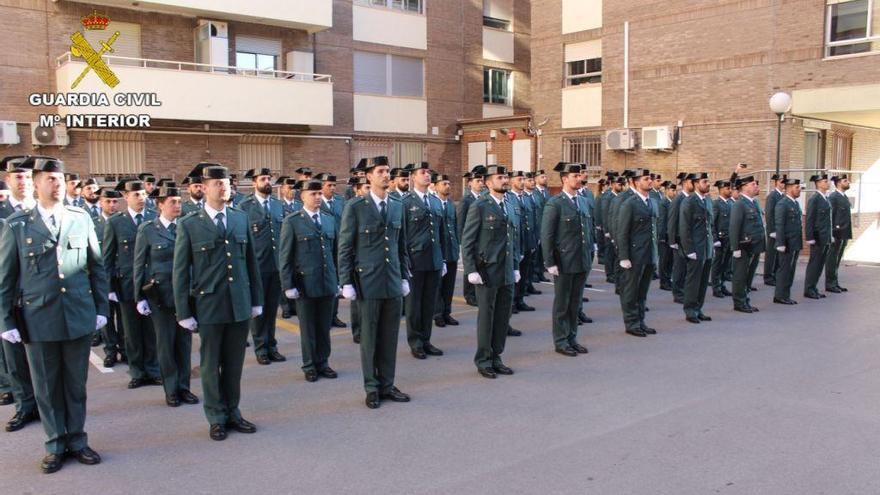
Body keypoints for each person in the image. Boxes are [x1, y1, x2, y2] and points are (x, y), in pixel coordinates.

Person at [0, 155, 108, 474]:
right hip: (38, 319)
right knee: (46, 387)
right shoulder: (17, 225)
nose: (56, 184)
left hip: (77, 314)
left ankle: (77, 440)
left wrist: (101, 309)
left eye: (59, 179)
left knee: (75, 384)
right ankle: (55, 444)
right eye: (49, 179)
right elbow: (5, 278)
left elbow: (96, 268)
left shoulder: (80, 217)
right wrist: (6, 321)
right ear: (36, 183)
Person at [173, 164, 264, 440]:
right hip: (209, 305)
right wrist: (183, 311)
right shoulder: (189, 224)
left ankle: (233, 411)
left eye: (226, 183)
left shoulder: (239, 218)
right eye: (217, 183)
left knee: (234, 363)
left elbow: (251, 263)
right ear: (204, 187)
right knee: (211, 364)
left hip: (238, 303)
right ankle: (216, 416)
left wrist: (256, 299)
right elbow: (180, 270)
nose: (223, 187)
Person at [338, 156, 412, 409]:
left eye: (387, 171)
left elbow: (401, 245)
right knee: (369, 338)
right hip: (367, 282)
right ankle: (372, 387)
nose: (385, 175)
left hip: (392, 280)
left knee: (389, 337)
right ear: (368, 176)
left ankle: (388, 385)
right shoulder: (356, 207)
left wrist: (404, 275)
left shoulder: (396, 205)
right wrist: (345, 281)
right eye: (380, 171)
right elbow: (345, 247)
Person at [133, 184, 199, 408]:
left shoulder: (186, 226)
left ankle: (184, 387)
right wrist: (139, 297)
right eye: (173, 202)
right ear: (160, 204)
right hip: (160, 296)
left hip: (185, 294)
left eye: (179, 201)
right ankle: (170, 389)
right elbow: (139, 264)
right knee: (165, 344)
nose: (178, 205)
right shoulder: (148, 229)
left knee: (184, 342)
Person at [461, 165, 520, 379]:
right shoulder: (480, 206)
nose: (504, 180)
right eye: (499, 177)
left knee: (503, 316)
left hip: (505, 271)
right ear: (487, 182)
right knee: (487, 316)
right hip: (486, 271)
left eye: (505, 177)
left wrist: (515, 266)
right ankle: (484, 359)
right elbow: (468, 240)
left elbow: (514, 239)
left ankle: (497, 357)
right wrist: (471, 269)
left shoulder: (510, 205)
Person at [280, 179, 339, 382]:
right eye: (313, 194)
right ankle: (309, 365)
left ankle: (323, 362)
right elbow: (285, 256)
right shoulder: (293, 221)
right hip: (305, 284)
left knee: (324, 327)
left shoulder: (329, 219)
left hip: (327, 282)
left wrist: (338, 279)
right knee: (308, 328)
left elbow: (335, 253)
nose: (317, 198)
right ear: (302, 196)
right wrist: (288, 285)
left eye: (319, 194)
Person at [104, 179, 161, 389]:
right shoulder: (115, 222)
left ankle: (153, 369)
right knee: (131, 331)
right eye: (136, 195)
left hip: (151, 283)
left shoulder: (154, 219)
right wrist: (109, 287)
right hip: (126, 284)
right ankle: (137, 371)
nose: (141, 199)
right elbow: (108, 258)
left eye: (143, 195)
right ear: (125, 197)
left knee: (151, 330)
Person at [0, 155, 38, 433]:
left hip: (41, 297)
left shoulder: (44, 210)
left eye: (27, 176)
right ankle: (25, 406)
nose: (23, 181)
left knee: (44, 358)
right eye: (17, 176)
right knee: (15, 358)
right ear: (8, 180)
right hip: (11, 296)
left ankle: (49, 406)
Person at [541, 162, 593, 356]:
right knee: (562, 304)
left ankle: (572, 337)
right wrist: (549, 262)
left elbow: (587, 230)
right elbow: (547, 235)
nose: (580, 179)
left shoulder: (583, 201)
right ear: (565, 179)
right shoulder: (555, 203)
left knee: (575, 302)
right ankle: (561, 341)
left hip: (581, 260)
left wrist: (590, 250)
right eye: (575, 176)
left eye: (580, 176)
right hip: (564, 261)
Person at [238, 168, 286, 365]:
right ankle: (261, 348)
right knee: (258, 309)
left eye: (269, 178)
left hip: (276, 265)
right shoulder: (245, 206)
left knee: (272, 308)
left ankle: (272, 345)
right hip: (257, 265)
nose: (267, 182)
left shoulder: (277, 205)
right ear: (253, 183)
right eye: (263, 179)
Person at [401, 162, 447, 360]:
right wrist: (404, 263)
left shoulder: (436, 201)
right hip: (415, 261)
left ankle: (426, 340)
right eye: (423, 172)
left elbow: (441, 232)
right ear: (413, 177)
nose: (427, 175)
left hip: (434, 260)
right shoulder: (405, 202)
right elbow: (400, 236)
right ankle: (415, 342)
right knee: (414, 305)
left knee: (429, 304)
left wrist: (442, 259)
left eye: (428, 172)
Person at [615, 169, 657, 337]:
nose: (650, 181)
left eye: (650, 178)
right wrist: (624, 256)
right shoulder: (629, 204)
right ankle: (631, 323)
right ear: (636, 182)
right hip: (634, 254)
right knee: (631, 291)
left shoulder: (652, 202)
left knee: (642, 291)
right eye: (646, 179)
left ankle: (641, 320)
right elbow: (622, 232)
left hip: (648, 253)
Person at [96, 189, 126, 366]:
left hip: (120, 275)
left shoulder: (122, 222)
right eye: (108, 201)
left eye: (115, 202)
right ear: (100, 202)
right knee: (106, 317)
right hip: (102, 277)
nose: (112, 205)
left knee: (123, 317)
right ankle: (110, 350)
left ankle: (124, 349)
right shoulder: (93, 224)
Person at [679, 172, 715, 324]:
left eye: (707, 181)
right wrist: (689, 249)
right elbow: (684, 228)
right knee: (693, 281)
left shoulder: (707, 201)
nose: (707, 184)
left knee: (703, 282)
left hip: (706, 248)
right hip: (695, 248)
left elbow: (710, 225)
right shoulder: (689, 202)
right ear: (695, 184)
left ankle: (698, 308)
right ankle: (690, 310)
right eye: (704, 181)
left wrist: (712, 246)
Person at [729, 176, 765, 313]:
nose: (756, 186)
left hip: (753, 245)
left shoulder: (753, 203)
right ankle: (739, 302)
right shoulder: (739, 204)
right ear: (744, 187)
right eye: (753, 184)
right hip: (743, 246)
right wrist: (735, 248)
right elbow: (734, 227)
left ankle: (745, 299)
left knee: (748, 275)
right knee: (740, 276)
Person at [318, 173, 347, 329]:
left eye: (334, 185)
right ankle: (324, 317)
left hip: (339, 245)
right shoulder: (317, 202)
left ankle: (334, 315)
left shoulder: (340, 201)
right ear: (322, 186)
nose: (333, 188)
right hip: (325, 245)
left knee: (335, 282)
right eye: (329, 185)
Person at [433, 173, 460, 328]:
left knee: (449, 285)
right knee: (438, 285)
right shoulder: (433, 203)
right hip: (439, 251)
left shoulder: (450, 204)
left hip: (451, 250)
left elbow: (454, 227)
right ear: (436, 186)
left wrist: (456, 246)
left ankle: (447, 312)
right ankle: (437, 314)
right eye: (444, 183)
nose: (447, 186)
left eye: (448, 183)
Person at [457, 166, 485, 307]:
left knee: (479, 266)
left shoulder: (485, 198)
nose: (481, 183)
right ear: (470, 183)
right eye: (477, 181)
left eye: (482, 181)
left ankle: (477, 292)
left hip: (482, 240)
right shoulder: (466, 200)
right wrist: (463, 242)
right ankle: (469, 295)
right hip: (470, 239)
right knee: (470, 267)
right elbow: (461, 223)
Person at [773, 178, 803, 305]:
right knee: (784, 270)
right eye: (797, 187)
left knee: (790, 270)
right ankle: (780, 296)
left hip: (794, 242)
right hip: (786, 243)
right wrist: (780, 243)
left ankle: (786, 294)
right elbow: (779, 224)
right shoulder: (783, 204)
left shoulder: (795, 203)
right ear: (790, 188)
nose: (799, 189)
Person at [804, 174, 832, 299]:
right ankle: (809, 289)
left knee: (820, 264)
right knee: (814, 263)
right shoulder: (814, 199)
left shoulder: (826, 198)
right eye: (825, 181)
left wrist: (830, 235)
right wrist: (810, 237)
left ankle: (814, 288)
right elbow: (809, 219)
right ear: (818, 183)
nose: (828, 183)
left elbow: (827, 220)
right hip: (817, 237)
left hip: (825, 236)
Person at [668, 173, 695, 303]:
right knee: (679, 268)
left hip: (689, 239)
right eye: (691, 182)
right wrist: (672, 240)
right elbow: (672, 220)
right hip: (679, 239)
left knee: (686, 269)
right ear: (685, 183)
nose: (694, 184)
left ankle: (684, 290)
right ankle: (678, 293)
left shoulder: (692, 199)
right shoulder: (678, 200)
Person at [826, 174, 852, 293]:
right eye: (845, 180)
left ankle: (835, 282)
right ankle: (830, 284)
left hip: (844, 232)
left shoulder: (844, 196)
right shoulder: (833, 197)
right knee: (832, 258)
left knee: (837, 259)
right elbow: (830, 217)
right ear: (838, 183)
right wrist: (831, 233)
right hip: (836, 233)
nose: (848, 182)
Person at [711, 180, 734, 298]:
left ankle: (722, 284)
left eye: (730, 188)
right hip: (720, 239)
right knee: (717, 264)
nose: (730, 190)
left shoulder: (731, 203)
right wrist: (715, 239)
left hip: (729, 239)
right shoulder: (716, 204)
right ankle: (716, 287)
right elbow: (712, 223)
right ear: (721, 190)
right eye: (727, 189)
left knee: (725, 264)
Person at [763, 174, 787, 286]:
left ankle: (775, 274)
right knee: (771, 255)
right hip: (774, 230)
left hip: (780, 230)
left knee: (778, 255)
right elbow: (769, 213)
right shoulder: (772, 196)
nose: (784, 184)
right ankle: (768, 276)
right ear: (776, 182)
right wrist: (772, 230)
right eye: (782, 181)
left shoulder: (783, 195)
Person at [657, 181, 675, 290]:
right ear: (667, 191)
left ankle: (668, 279)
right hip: (664, 236)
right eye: (672, 190)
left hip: (670, 235)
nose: (674, 193)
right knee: (664, 260)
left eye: (675, 190)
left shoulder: (672, 202)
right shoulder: (663, 203)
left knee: (670, 260)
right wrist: (662, 236)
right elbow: (662, 221)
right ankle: (663, 282)